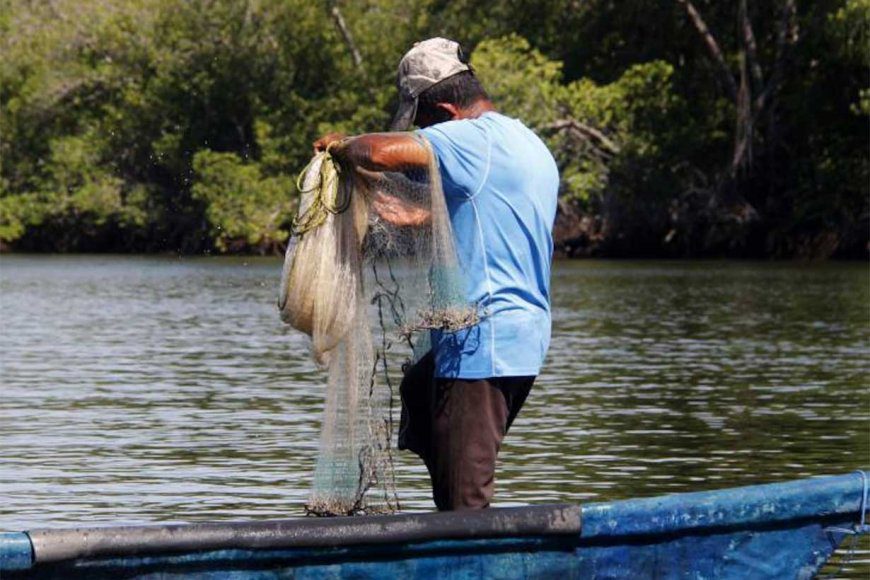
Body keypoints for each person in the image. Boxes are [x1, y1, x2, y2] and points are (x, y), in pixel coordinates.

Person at [313, 37, 559, 511]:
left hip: (479, 345)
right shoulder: (523, 142)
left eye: (423, 126)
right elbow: (426, 213)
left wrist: (342, 148)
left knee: (464, 507)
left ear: (445, 111)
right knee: (419, 389)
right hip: (520, 339)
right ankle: (446, 461)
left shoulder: (468, 138)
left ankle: (460, 551)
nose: (424, 137)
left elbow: (381, 153)